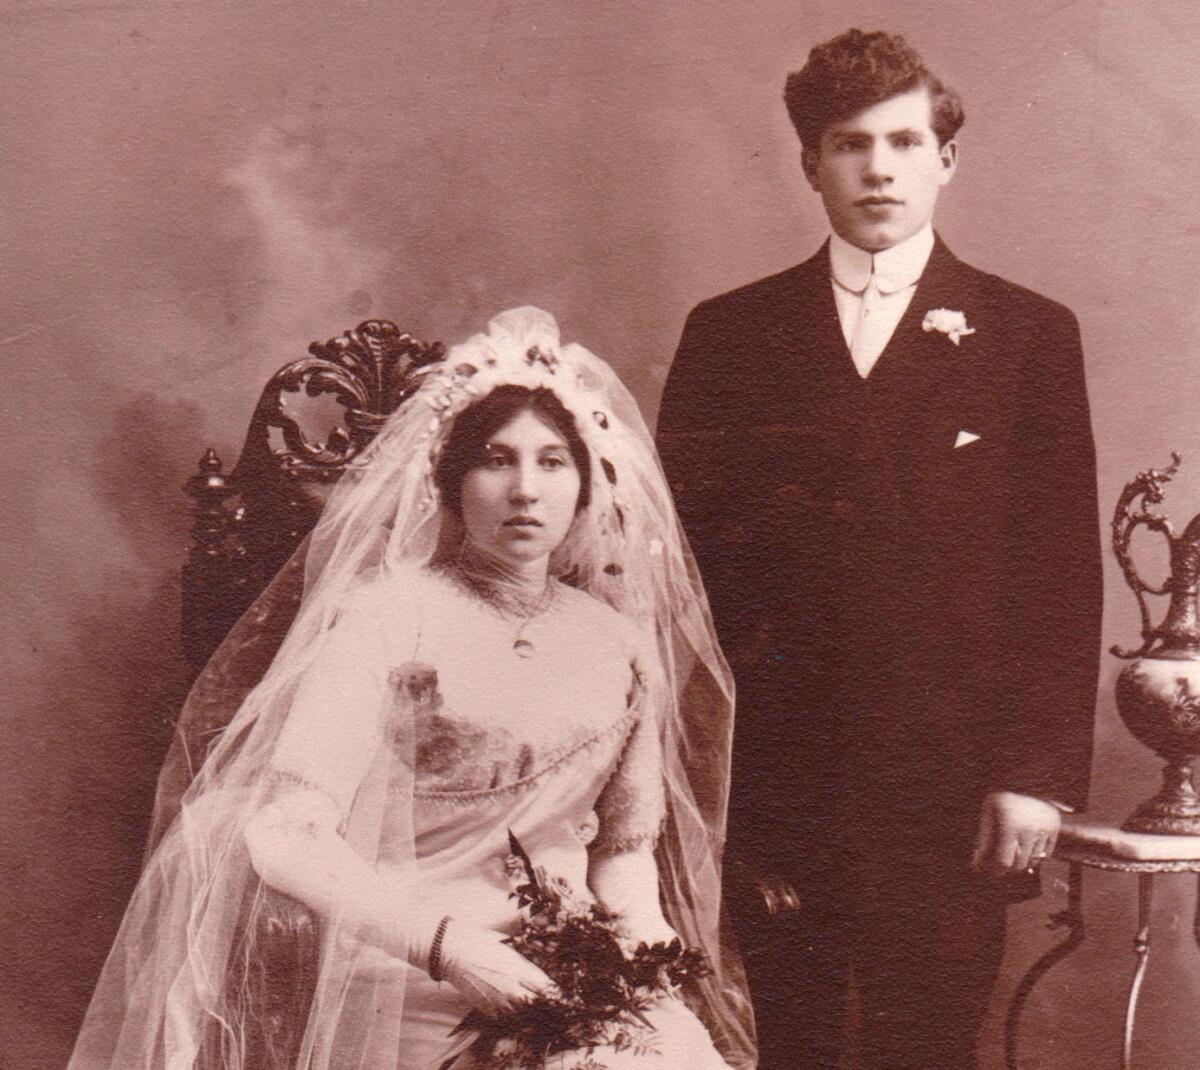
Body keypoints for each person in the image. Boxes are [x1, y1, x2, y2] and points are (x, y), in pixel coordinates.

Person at [68, 308, 756, 1070]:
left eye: (554, 462)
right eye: (496, 460)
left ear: (588, 485)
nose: (526, 489)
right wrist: (452, 950)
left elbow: (622, 859)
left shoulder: (617, 644)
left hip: (566, 968)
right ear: (452, 482)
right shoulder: (387, 618)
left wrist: (649, 980)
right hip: (400, 965)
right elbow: (285, 834)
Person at [656, 29, 1102, 1070]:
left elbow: (1057, 571)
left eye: (905, 141)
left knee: (930, 1039)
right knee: (781, 1038)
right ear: (810, 162)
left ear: (948, 158)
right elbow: (681, 568)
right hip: (774, 772)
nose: (879, 168)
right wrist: (695, 772)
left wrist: (1033, 774)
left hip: (947, 779)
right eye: (850, 144)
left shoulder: (1029, 333)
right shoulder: (732, 332)